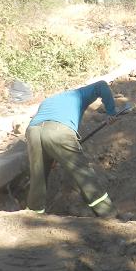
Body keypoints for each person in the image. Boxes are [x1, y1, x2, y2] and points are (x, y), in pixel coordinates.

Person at [25, 80, 120, 218]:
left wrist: (52, 155)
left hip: (33, 131)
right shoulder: (79, 94)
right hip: (59, 130)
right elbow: (102, 85)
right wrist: (111, 112)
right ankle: (109, 215)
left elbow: (44, 131)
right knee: (83, 173)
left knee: (38, 177)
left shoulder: (47, 102)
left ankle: (32, 216)